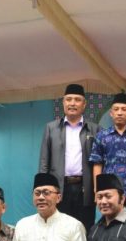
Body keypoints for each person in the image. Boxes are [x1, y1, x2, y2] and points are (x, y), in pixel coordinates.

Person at [39, 83, 100, 231]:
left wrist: (97, 189)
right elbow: (44, 162)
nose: (72, 103)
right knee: (59, 230)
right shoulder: (51, 128)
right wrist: (43, 190)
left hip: (85, 189)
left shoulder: (95, 129)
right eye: (69, 99)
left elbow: (99, 163)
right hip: (59, 188)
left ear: (84, 104)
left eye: (77, 100)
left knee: (84, 229)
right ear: (63, 102)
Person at [89, 93, 126, 218]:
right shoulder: (101, 136)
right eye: (116, 109)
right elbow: (97, 164)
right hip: (110, 194)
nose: (119, 113)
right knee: (111, 226)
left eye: (124, 109)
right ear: (111, 113)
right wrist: (97, 190)